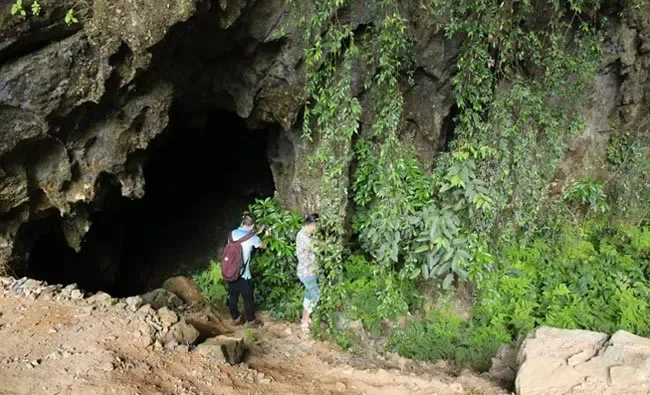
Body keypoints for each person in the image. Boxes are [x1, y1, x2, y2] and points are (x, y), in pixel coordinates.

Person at [226, 213, 267, 327]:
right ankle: (251, 321)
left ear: (242, 223)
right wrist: (266, 236)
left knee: (233, 295)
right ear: (252, 225)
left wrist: (255, 233)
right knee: (248, 298)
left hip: (230, 271)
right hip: (243, 275)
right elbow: (263, 245)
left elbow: (243, 237)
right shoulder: (253, 238)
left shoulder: (232, 234)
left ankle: (236, 318)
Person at [296, 213, 320, 332]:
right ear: (312, 225)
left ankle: (305, 318)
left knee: (309, 294)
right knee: (315, 294)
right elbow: (317, 248)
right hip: (306, 272)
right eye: (317, 225)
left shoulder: (308, 234)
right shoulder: (302, 236)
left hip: (310, 270)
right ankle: (305, 322)